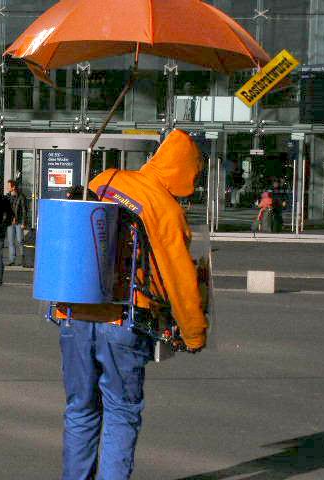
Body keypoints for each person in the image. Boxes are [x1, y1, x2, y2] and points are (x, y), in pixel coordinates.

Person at [56, 130, 208, 479]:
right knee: (122, 413)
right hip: (124, 319)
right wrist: (194, 333)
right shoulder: (166, 210)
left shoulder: (106, 178)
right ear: (184, 171)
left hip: (74, 313)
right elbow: (179, 279)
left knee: (80, 409)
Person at [5, 179, 28, 266]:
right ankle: (11, 260)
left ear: (13, 187)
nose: (7, 188)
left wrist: (23, 222)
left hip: (18, 222)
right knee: (11, 242)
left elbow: (24, 210)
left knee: (20, 241)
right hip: (10, 222)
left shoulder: (21, 197)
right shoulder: (7, 197)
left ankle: (24, 259)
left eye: (9, 186)